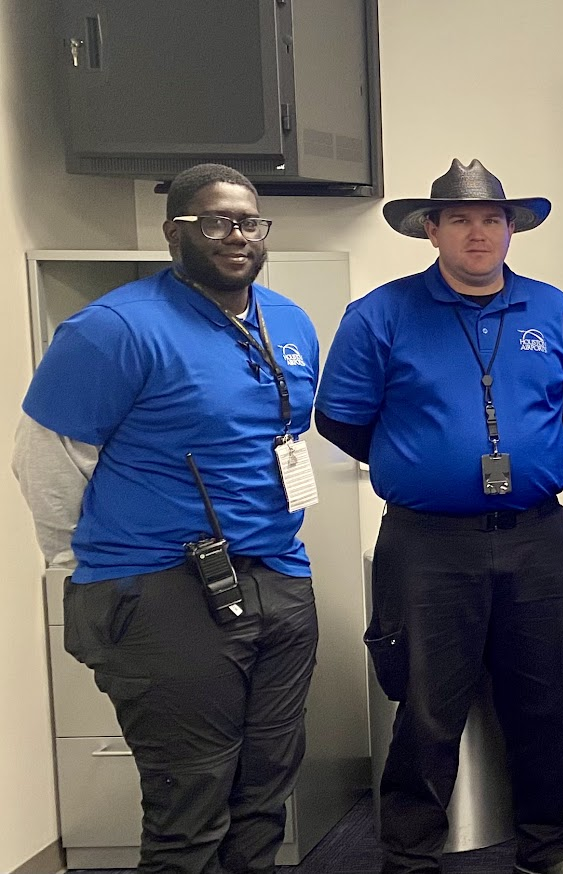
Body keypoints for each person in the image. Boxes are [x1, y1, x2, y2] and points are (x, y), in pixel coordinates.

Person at [16, 163, 322, 874]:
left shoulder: (290, 321)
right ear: (173, 232)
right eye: (214, 222)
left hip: (277, 578)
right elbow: (48, 464)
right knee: (189, 806)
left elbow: (284, 437)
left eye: (248, 221)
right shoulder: (113, 329)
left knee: (266, 789)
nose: (236, 236)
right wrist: (88, 564)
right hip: (162, 590)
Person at [317, 159, 563, 874]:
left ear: (511, 230)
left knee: (546, 700)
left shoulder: (552, 309)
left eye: (492, 219)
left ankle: (547, 845)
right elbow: (343, 420)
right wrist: (428, 467)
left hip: (536, 535)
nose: (479, 233)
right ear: (432, 229)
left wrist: (514, 466)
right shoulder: (380, 314)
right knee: (426, 705)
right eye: (462, 220)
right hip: (427, 544)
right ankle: (409, 857)